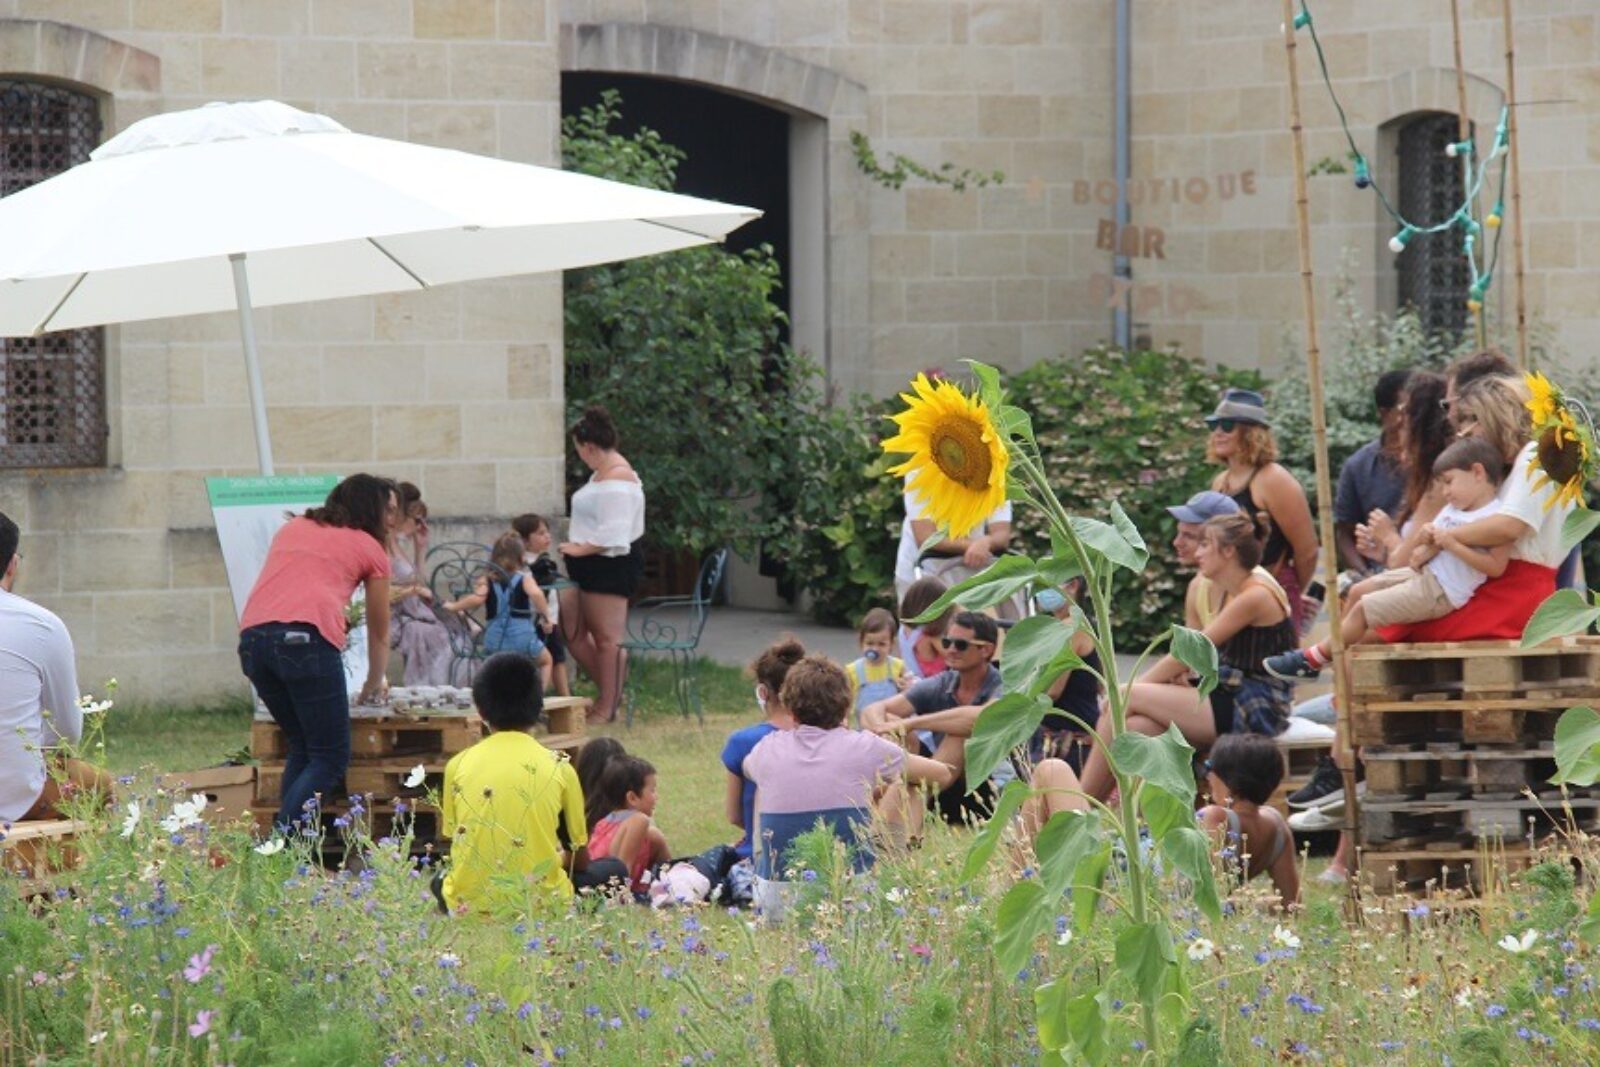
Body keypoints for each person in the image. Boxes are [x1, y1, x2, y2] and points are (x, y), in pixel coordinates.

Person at [1079, 514, 1295, 803]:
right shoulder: (1230, 590)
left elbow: (1191, 650)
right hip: (1230, 694)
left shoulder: (1255, 594)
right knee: (1136, 728)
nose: (1198, 552)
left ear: (1229, 551)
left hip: (1255, 706)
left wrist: (1129, 691)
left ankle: (1076, 806)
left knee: (1124, 698)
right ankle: (1106, 815)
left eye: (1206, 544)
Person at [1267, 438, 1509, 681]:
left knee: (1363, 610)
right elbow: (1432, 543)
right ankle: (1336, 665)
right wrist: (1425, 544)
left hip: (1441, 591)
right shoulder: (1454, 509)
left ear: (1477, 473)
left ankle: (1314, 658)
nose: (1445, 492)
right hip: (1423, 575)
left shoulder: (1496, 517)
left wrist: (1451, 544)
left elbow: (1496, 567)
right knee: (1359, 590)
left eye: (1449, 482)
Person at [743, 655, 956, 917]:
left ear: (789, 709)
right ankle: (899, 876)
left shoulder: (767, 747)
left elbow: (748, 768)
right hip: (852, 896)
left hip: (777, 901)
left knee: (763, 784)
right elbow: (942, 775)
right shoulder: (864, 746)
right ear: (847, 706)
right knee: (910, 784)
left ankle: (763, 877)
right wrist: (892, 761)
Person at [239, 474, 395, 831]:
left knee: (304, 747)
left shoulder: (294, 527)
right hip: (305, 642)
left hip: (253, 642)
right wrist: (373, 685)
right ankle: (282, 849)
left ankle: (283, 850)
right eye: (388, 510)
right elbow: (380, 630)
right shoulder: (370, 548)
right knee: (329, 757)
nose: (391, 520)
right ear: (372, 509)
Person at [1376, 373, 1572, 642]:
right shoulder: (1517, 461)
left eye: (1471, 419)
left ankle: (1313, 660)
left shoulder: (1538, 453)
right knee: (1377, 617)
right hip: (1499, 589)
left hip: (1511, 595)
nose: (1463, 432)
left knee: (1378, 628)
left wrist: (1442, 539)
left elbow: (1508, 526)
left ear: (1495, 415)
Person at [436, 653, 589, 916]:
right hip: (542, 904)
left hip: (468, 905)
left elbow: (454, 842)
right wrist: (556, 858)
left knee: (439, 880)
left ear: (480, 710)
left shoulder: (457, 765)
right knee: (607, 871)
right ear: (539, 706)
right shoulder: (560, 767)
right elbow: (579, 856)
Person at [0, 512, 111, 823]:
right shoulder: (42, 625)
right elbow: (67, 731)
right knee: (99, 784)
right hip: (16, 800)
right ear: (12, 564)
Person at [862, 611, 1003, 827]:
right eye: (947, 642)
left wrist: (912, 722)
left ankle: (882, 834)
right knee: (895, 726)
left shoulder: (1003, 685)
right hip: (940, 786)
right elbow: (873, 709)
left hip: (987, 793)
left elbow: (981, 719)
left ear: (986, 650)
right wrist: (884, 728)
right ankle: (892, 833)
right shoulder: (943, 682)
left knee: (959, 736)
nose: (951, 649)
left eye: (961, 644)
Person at [1204, 388, 1320, 634]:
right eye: (1213, 425)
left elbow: (1307, 550)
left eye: (1227, 425)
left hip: (1272, 589)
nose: (1217, 433)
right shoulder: (1220, 482)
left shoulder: (1274, 479)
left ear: (1250, 433)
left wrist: (1288, 590)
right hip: (1230, 593)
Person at [560, 406, 645, 724]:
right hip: (589, 566)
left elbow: (614, 532)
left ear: (590, 447)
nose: (580, 456)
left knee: (607, 639)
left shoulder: (618, 478)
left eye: (579, 450)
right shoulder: (603, 474)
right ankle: (610, 691)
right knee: (574, 632)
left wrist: (579, 549)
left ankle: (606, 707)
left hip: (609, 566)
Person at [1354, 372, 1452, 575]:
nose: (1399, 435)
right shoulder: (1428, 480)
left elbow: (1405, 562)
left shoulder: (1440, 484)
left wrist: (1388, 535)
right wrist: (1381, 552)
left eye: (1403, 424)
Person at [722, 637, 803, 864]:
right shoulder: (820, 737)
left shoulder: (741, 742)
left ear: (763, 692)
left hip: (758, 857)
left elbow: (734, 815)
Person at [1197, 734, 1300, 910]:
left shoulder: (1214, 817)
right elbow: (1291, 905)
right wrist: (1252, 906)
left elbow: (1201, 895)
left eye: (1209, 766)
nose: (1207, 776)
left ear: (1229, 778)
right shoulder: (1276, 825)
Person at [444, 534, 554, 688]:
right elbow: (536, 594)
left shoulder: (488, 580)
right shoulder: (524, 579)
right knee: (546, 661)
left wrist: (454, 606)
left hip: (495, 642)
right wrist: (547, 617)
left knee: (496, 672)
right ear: (522, 557)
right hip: (522, 640)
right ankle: (538, 700)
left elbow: (477, 598)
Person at [894, 472, 1013, 611]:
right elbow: (926, 537)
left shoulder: (994, 471)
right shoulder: (919, 471)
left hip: (971, 570)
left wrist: (986, 542)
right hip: (923, 569)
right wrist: (975, 545)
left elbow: (1002, 533)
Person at [1171, 490, 1288, 629]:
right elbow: (1190, 649)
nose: (1176, 542)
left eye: (1190, 536)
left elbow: (1205, 642)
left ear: (1227, 545)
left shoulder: (1254, 590)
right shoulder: (1198, 586)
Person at [1334, 370, 1411, 578]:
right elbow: (1345, 532)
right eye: (1407, 409)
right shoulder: (1358, 467)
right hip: (1380, 572)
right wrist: (1363, 573)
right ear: (1385, 413)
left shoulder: (1439, 458)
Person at [388, 484, 464, 687]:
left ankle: (446, 687)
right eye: (417, 520)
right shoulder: (384, 546)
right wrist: (414, 590)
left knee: (455, 630)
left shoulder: (398, 546)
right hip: (395, 617)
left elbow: (419, 581)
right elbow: (385, 591)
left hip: (412, 612)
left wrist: (420, 548)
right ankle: (434, 689)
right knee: (442, 635)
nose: (420, 525)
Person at [1031, 577, 1103, 771]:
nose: (1041, 591)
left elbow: (1053, 690)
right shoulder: (1082, 624)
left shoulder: (1070, 628)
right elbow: (1100, 685)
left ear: (1073, 585)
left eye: (1047, 583)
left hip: (1068, 744)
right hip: (1078, 737)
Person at [586, 754, 671, 898]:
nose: (656, 796)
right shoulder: (638, 820)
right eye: (652, 790)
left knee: (655, 837)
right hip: (613, 895)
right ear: (632, 798)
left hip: (592, 890)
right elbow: (622, 870)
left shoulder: (603, 823)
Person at [513, 513, 569, 697]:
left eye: (547, 532)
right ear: (525, 540)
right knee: (554, 659)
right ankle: (560, 697)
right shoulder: (526, 564)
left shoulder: (541, 560)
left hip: (546, 619)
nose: (547, 536)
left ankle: (565, 697)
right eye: (540, 533)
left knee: (557, 657)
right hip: (538, 621)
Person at [846, 608, 909, 723]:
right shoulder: (852, 670)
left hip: (890, 728)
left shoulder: (898, 667)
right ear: (861, 643)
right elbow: (845, 704)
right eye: (870, 643)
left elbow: (907, 698)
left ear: (891, 645)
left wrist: (906, 688)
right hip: (861, 731)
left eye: (881, 644)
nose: (875, 649)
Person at [897, 576, 952, 681]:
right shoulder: (930, 635)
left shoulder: (903, 630)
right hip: (933, 685)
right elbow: (952, 654)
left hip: (912, 680)